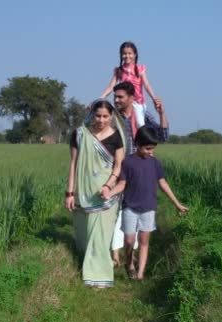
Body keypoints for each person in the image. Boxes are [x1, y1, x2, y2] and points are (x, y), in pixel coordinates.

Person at [102, 126, 188, 280]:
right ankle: (129, 264)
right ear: (138, 144)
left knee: (144, 241)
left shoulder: (155, 163)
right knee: (129, 240)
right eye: (148, 148)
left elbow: (163, 184)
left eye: (153, 148)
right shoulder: (127, 162)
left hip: (148, 208)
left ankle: (140, 273)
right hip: (130, 207)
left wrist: (177, 203)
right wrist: (109, 192)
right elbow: (122, 184)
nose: (151, 152)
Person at [105, 81, 170, 266]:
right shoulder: (112, 116)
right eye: (114, 97)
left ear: (131, 98)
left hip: (137, 169)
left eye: (120, 97)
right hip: (116, 169)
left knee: (130, 211)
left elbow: (162, 136)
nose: (116, 100)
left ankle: (128, 256)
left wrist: (161, 112)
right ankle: (115, 254)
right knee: (114, 210)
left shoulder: (141, 114)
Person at [65, 99, 126, 288]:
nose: (101, 120)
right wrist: (70, 193)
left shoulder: (117, 137)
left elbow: (118, 166)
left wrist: (108, 186)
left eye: (106, 116)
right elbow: (74, 164)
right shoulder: (80, 135)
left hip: (106, 195)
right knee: (85, 235)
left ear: (111, 116)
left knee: (100, 236)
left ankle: (99, 277)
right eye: (98, 115)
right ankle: (88, 265)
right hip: (84, 193)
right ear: (92, 114)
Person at [100, 41, 161, 130]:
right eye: (124, 54)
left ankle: (141, 142)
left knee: (140, 124)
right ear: (121, 55)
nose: (127, 56)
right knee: (115, 123)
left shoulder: (140, 69)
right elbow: (111, 86)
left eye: (130, 53)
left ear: (135, 54)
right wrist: (101, 97)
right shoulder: (119, 70)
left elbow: (146, 84)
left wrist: (154, 98)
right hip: (123, 101)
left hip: (137, 101)